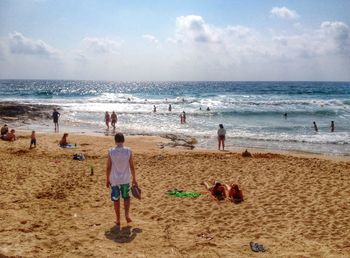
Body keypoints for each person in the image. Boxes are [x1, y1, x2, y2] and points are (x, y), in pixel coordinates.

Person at [106, 133, 137, 225]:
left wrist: (107, 179)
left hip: (114, 179)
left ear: (115, 141)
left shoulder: (111, 151)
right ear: (123, 140)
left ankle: (118, 219)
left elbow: (108, 167)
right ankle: (127, 215)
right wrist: (134, 178)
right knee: (126, 197)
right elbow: (132, 166)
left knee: (116, 199)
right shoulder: (128, 151)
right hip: (125, 179)